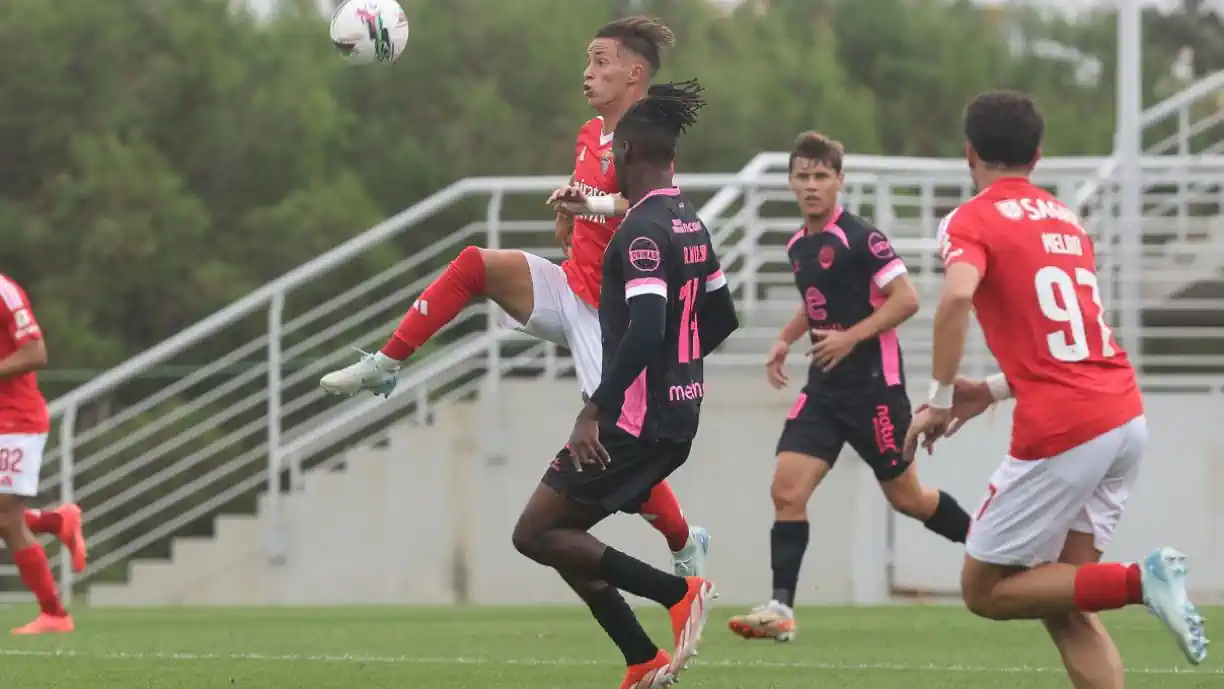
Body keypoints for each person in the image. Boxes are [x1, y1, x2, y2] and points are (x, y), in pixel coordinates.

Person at [318, 16, 709, 578]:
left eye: (600, 62)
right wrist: (570, 216)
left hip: (611, 316)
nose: (588, 72)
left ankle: (684, 541)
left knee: (616, 457)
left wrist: (593, 207)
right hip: (572, 286)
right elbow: (588, 213)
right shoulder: (588, 133)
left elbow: (659, 208)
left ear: (635, 73)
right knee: (476, 264)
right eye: (588, 60)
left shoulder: (648, 137)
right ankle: (386, 364)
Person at [905, 89, 1208, 684]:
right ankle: (1135, 585)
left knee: (986, 589)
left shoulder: (970, 219)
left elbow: (958, 295)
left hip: (1065, 429)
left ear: (969, 154)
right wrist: (987, 391)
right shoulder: (1068, 220)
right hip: (1123, 416)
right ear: (1038, 155)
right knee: (1060, 598)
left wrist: (939, 398)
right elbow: (1067, 342)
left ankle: (1141, 580)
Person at [511, 79, 733, 689]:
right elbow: (721, 314)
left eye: (613, 157)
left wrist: (596, 411)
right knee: (564, 536)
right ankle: (641, 658)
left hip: (631, 422)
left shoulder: (639, 234)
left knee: (535, 533)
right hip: (674, 418)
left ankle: (679, 592)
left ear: (628, 155)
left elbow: (647, 327)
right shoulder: (688, 222)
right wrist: (678, 371)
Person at [727, 132, 972, 642]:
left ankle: (993, 548)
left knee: (910, 499)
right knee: (786, 489)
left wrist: (850, 338)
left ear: (839, 181)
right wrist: (784, 339)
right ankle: (781, 609)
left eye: (822, 176)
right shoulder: (798, 245)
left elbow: (904, 300)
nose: (812, 186)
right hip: (824, 392)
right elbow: (816, 300)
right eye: (803, 176)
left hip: (875, 390)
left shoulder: (863, 238)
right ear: (791, 182)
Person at [0, 273, 88, 635]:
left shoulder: (3, 291)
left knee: (6, 519)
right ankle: (55, 522)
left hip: (14, 421)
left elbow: (35, 352)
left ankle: (54, 614)